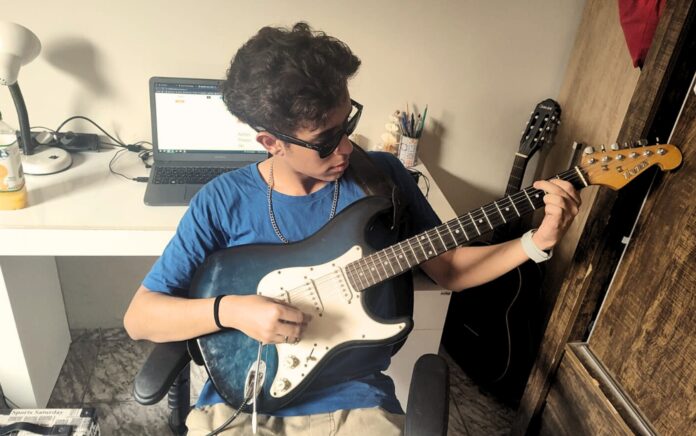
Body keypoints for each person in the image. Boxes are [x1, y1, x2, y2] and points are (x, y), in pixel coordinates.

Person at [124, 22, 581, 435]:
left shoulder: (381, 177)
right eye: (325, 141)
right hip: (242, 405)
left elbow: (450, 269)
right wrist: (232, 311)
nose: (345, 148)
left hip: (354, 404)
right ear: (271, 142)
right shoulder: (222, 200)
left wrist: (535, 242)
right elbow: (140, 317)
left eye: (348, 124)